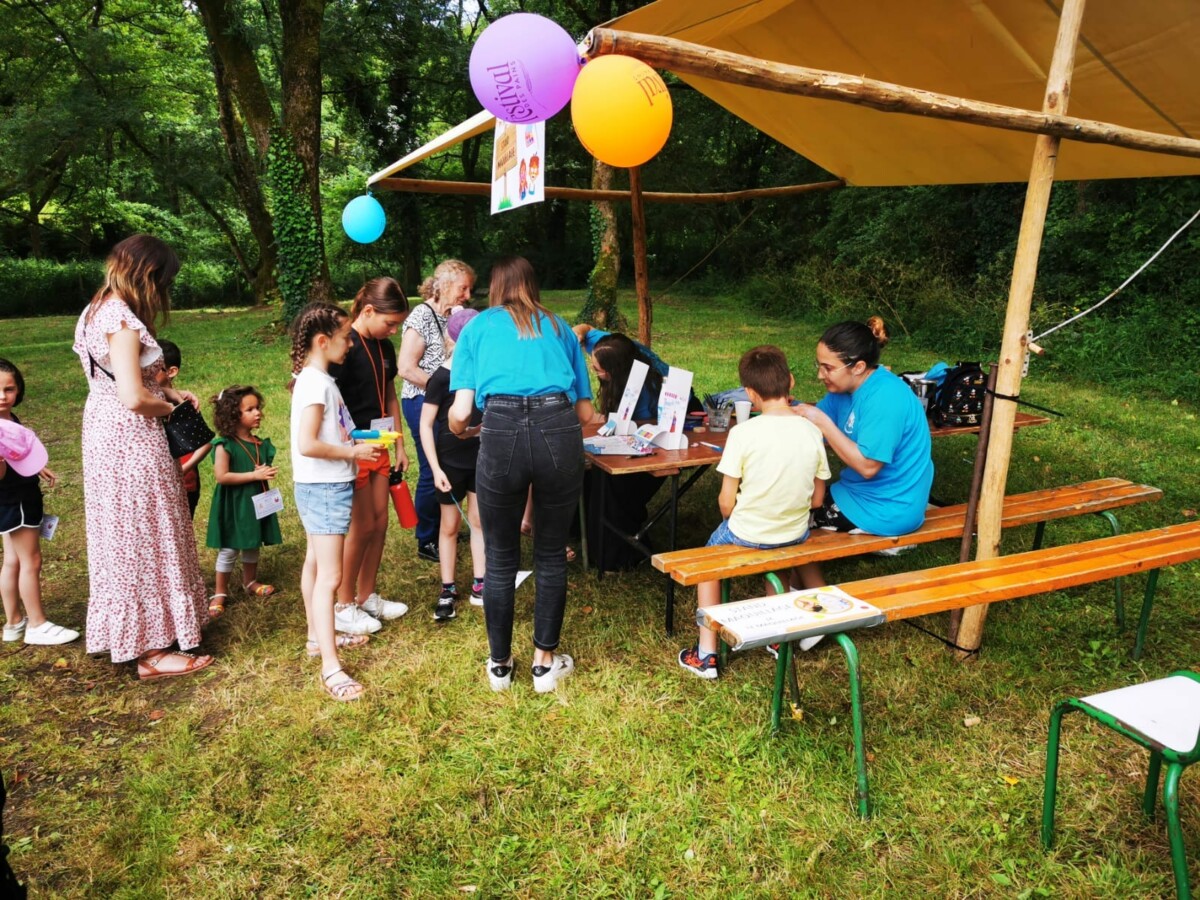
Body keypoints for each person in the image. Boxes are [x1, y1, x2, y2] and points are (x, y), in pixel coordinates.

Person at [448, 257, 595, 693]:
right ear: (534, 285)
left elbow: (460, 413)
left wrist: (460, 430)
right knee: (550, 552)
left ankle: (500, 666)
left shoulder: (476, 328)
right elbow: (586, 413)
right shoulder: (560, 327)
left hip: (500, 429)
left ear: (495, 287)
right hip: (558, 428)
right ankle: (544, 664)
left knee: (499, 556)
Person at [72, 234, 213, 680]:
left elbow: (121, 377)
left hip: (105, 430)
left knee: (125, 531)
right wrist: (170, 410)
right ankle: (151, 650)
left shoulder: (96, 309)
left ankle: (150, 630)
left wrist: (169, 390)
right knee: (144, 532)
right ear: (148, 276)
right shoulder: (121, 319)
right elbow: (133, 397)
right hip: (130, 436)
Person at [678, 346, 830, 679]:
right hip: (794, 532)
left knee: (708, 564)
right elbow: (817, 499)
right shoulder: (812, 431)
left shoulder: (742, 433)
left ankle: (706, 654)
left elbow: (725, 501)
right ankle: (776, 639)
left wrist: (732, 521)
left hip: (747, 530)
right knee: (779, 556)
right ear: (791, 381)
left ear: (749, 393)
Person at [793, 316, 934, 586]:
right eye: (818, 365)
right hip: (862, 495)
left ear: (858, 367)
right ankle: (800, 592)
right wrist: (781, 408)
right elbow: (811, 424)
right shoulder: (843, 389)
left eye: (828, 368)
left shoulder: (886, 397)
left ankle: (809, 597)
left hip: (889, 507)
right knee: (792, 503)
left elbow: (868, 466)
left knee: (787, 516)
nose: (820, 375)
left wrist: (824, 423)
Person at [290, 302, 383, 701]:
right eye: (346, 338)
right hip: (324, 487)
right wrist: (352, 453)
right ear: (323, 341)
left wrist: (360, 439)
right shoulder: (315, 384)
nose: (351, 345)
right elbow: (308, 443)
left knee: (315, 564)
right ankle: (331, 667)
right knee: (330, 577)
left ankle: (317, 638)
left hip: (320, 486)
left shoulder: (318, 380)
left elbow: (330, 432)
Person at [578, 330, 702, 571]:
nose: (595, 372)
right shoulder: (610, 348)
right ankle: (596, 543)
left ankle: (618, 553)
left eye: (597, 370)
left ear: (614, 369)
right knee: (592, 475)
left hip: (665, 436)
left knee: (615, 484)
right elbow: (585, 330)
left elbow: (651, 428)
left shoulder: (648, 393)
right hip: (633, 436)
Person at [329, 277, 411, 634]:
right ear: (367, 311)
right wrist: (347, 445)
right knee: (360, 527)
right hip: (355, 448)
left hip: (381, 445)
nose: (393, 331)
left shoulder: (384, 347)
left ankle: (366, 596)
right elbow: (328, 400)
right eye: (389, 323)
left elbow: (389, 393)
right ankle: (343, 604)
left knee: (379, 523)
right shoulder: (345, 346)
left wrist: (399, 444)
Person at [398, 259, 475, 563]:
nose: (468, 295)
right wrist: (440, 387)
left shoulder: (454, 316)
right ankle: (427, 537)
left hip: (448, 403)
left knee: (452, 464)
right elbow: (406, 368)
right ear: (444, 284)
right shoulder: (422, 315)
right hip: (422, 401)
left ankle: (448, 523)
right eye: (463, 288)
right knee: (433, 467)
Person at [0, 358, 79, 646]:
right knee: (30, 560)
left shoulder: (8, 421)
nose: (2, 396)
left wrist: (35, 466)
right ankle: (37, 624)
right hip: (16, 500)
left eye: (9, 389)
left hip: (14, 499)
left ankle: (13, 623)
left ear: (18, 389)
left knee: (12, 560)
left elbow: (18, 453)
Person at [419, 307, 484, 622]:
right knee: (449, 526)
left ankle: (481, 584)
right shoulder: (442, 377)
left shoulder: (485, 373)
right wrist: (435, 468)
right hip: (449, 463)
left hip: (481, 459)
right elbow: (425, 424)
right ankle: (447, 588)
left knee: (479, 521)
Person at [204, 385, 282, 619]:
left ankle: (250, 581)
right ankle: (220, 592)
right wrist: (254, 475)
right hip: (234, 504)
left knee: (252, 542)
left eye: (257, 408)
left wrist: (263, 471)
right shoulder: (224, 444)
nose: (257, 413)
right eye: (250, 409)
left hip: (253, 502)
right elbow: (222, 476)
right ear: (232, 415)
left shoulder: (259, 443)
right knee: (229, 548)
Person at [155, 340, 211, 520]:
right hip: (157, 483)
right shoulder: (146, 403)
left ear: (171, 371)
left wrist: (184, 469)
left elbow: (205, 443)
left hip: (186, 484)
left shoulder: (183, 404)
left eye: (153, 369)